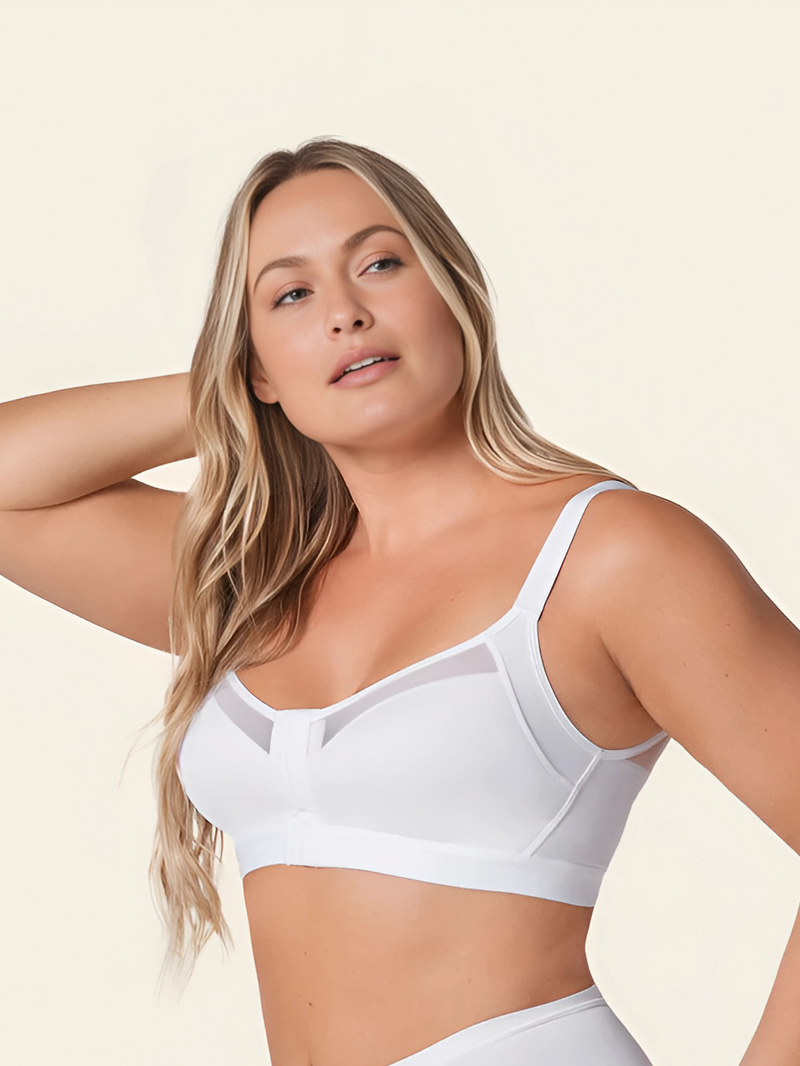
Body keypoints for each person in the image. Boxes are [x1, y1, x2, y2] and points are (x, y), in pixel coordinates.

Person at [0, 138, 798, 1066]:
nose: (345, 313)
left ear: (455, 294)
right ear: (254, 365)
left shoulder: (607, 555)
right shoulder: (257, 580)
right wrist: (241, 379)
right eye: (291, 296)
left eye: (380, 264)